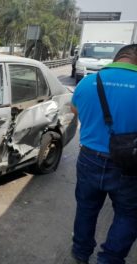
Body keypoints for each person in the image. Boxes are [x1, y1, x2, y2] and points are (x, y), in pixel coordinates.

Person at [70, 44, 137, 264]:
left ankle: (80, 252)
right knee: (128, 214)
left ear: (117, 58)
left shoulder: (88, 82)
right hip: (130, 163)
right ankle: (109, 259)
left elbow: (75, 109)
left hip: (89, 158)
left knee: (86, 208)